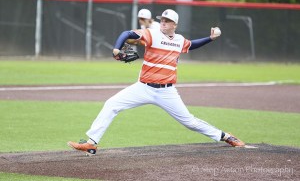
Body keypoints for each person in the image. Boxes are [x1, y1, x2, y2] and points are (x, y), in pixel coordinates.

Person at [68, 9, 245, 155]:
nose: (163, 23)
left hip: (166, 92)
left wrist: (211, 38)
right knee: (111, 104)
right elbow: (126, 33)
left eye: (167, 21)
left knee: (189, 122)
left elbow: (192, 44)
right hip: (142, 87)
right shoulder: (151, 34)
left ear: (174, 25)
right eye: (162, 20)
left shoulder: (179, 40)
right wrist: (116, 48)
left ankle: (225, 136)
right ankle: (92, 143)